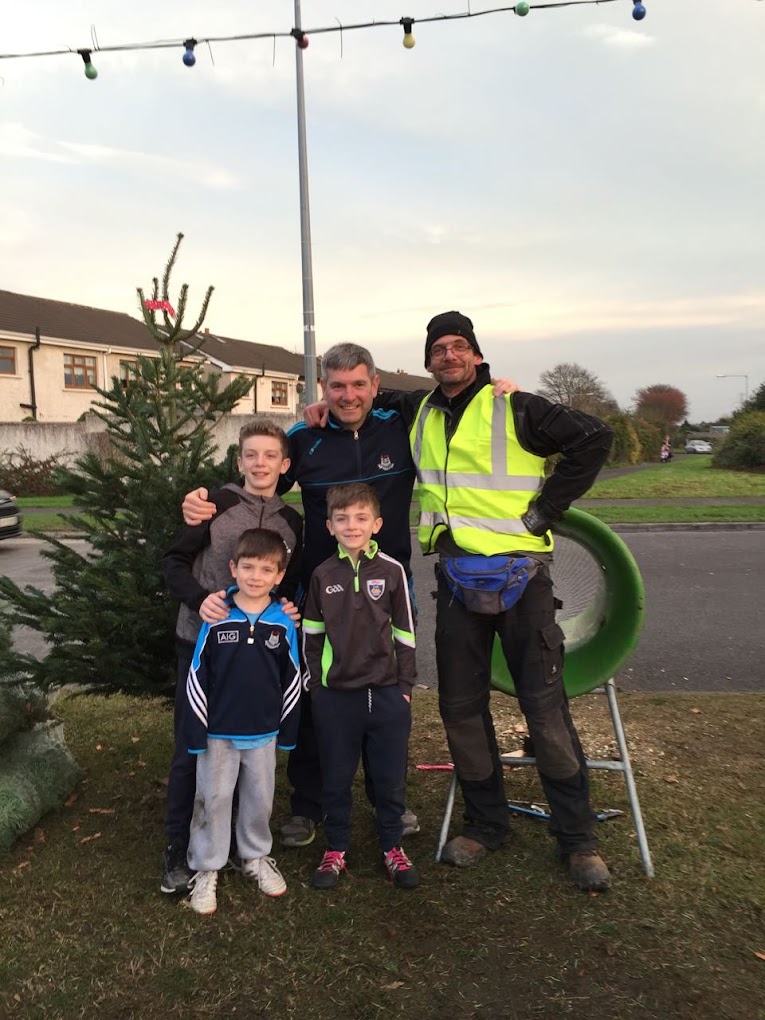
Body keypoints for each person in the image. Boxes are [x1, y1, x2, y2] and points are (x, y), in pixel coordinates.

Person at [374, 310, 615, 891]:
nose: (449, 356)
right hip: (455, 579)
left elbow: (593, 437)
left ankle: (577, 838)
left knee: (543, 706)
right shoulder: (419, 409)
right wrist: (318, 406)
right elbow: (360, 392)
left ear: (478, 356)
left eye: (460, 348)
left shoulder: (518, 406)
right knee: (459, 707)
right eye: (439, 349)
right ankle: (487, 822)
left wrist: (546, 510)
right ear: (429, 360)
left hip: (524, 580)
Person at [181, 343, 420, 850]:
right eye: (337, 386)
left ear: (376, 386)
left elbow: (441, 402)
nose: (348, 395)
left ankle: (388, 801)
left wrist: (495, 385)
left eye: (359, 384)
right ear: (322, 390)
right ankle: (308, 806)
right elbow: (259, 480)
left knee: (390, 695)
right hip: (324, 588)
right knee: (318, 693)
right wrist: (203, 500)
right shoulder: (306, 438)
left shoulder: (402, 430)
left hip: (388, 585)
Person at [160, 420, 303, 895]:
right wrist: (198, 598)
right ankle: (178, 850)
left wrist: (286, 606)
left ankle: (250, 850)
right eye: (250, 455)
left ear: (284, 466)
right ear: (238, 461)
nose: (259, 464)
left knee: (253, 751)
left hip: (258, 655)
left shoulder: (292, 522)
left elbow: (288, 580)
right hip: (202, 646)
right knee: (193, 748)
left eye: (269, 456)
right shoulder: (214, 506)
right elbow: (173, 561)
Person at [302, 483, 419, 890]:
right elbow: (312, 636)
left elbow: (405, 632)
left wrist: (404, 686)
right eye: (342, 518)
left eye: (361, 517)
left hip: (387, 695)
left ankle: (392, 846)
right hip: (336, 699)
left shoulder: (391, 570)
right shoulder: (322, 574)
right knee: (335, 778)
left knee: (389, 778)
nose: (352, 526)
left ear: (377, 524)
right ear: (330, 526)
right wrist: (317, 687)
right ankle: (336, 847)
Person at [181, 528, 301, 915]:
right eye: (247, 567)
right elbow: (197, 673)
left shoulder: (283, 621)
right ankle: (207, 866)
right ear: (233, 568)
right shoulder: (216, 616)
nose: (255, 576)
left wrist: (288, 730)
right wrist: (197, 731)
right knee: (213, 799)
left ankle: (255, 856)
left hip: (264, 731)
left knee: (259, 799)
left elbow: (294, 676)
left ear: (279, 576)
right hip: (217, 732)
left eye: (266, 570)